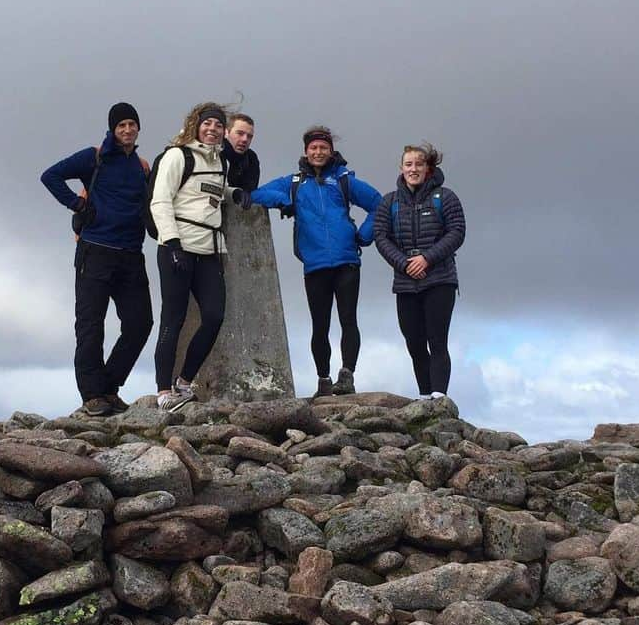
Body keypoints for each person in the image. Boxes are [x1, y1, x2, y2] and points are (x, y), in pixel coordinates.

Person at [250, 126, 381, 397]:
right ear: (306, 152)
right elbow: (257, 194)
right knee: (319, 325)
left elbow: (379, 205)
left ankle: (347, 376)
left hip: (346, 261)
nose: (318, 152)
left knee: (348, 320)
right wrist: (285, 201)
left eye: (323, 148)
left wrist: (362, 236)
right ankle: (323, 379)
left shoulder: (344, 180)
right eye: (314, 148)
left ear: (331, 151)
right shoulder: (296, 183)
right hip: (315, 264)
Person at [40, 103, 153, 417]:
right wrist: (77, 204)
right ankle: (92, 395)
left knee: (140, 323)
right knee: (91, 326)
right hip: (95, 251)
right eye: (121, 125)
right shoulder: (94, 157)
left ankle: (108, 386)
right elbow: (50, 176)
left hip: (131, 254)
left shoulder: (142, 167)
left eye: (132, 124)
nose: (127, 130)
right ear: (112, 129)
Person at [150, 102, 249, 412]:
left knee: (215, 316)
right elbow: (160, 201)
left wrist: (235, 194)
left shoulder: (221, 161)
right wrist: (173, 243)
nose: (213, 129)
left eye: (218, 126)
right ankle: (164, 391)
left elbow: (214, 191)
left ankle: (184, 382)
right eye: (207, 124)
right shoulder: (177, 156)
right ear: (196, 125)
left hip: (208, 249)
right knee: (173, 320)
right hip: (176, 248)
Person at [373, 142, 466, 399]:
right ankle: (424, 397)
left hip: (440, 279)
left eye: (419, 164)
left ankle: (439, 398)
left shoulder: (445, 197)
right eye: (408, 164)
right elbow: (381, 237)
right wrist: (404, 263)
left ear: (428, 168)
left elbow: (457, 232)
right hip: (405, 283)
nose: (413, 169)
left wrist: (426, 258)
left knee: (437, 341)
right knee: (414, 343)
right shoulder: (389, 202)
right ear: (401, 168)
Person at [224, 112, 260, 191]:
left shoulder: (251, 159)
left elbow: (250, 191)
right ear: (226, 133)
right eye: (240, 133)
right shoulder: (215, 153)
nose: (245, 139)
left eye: (249, 136)